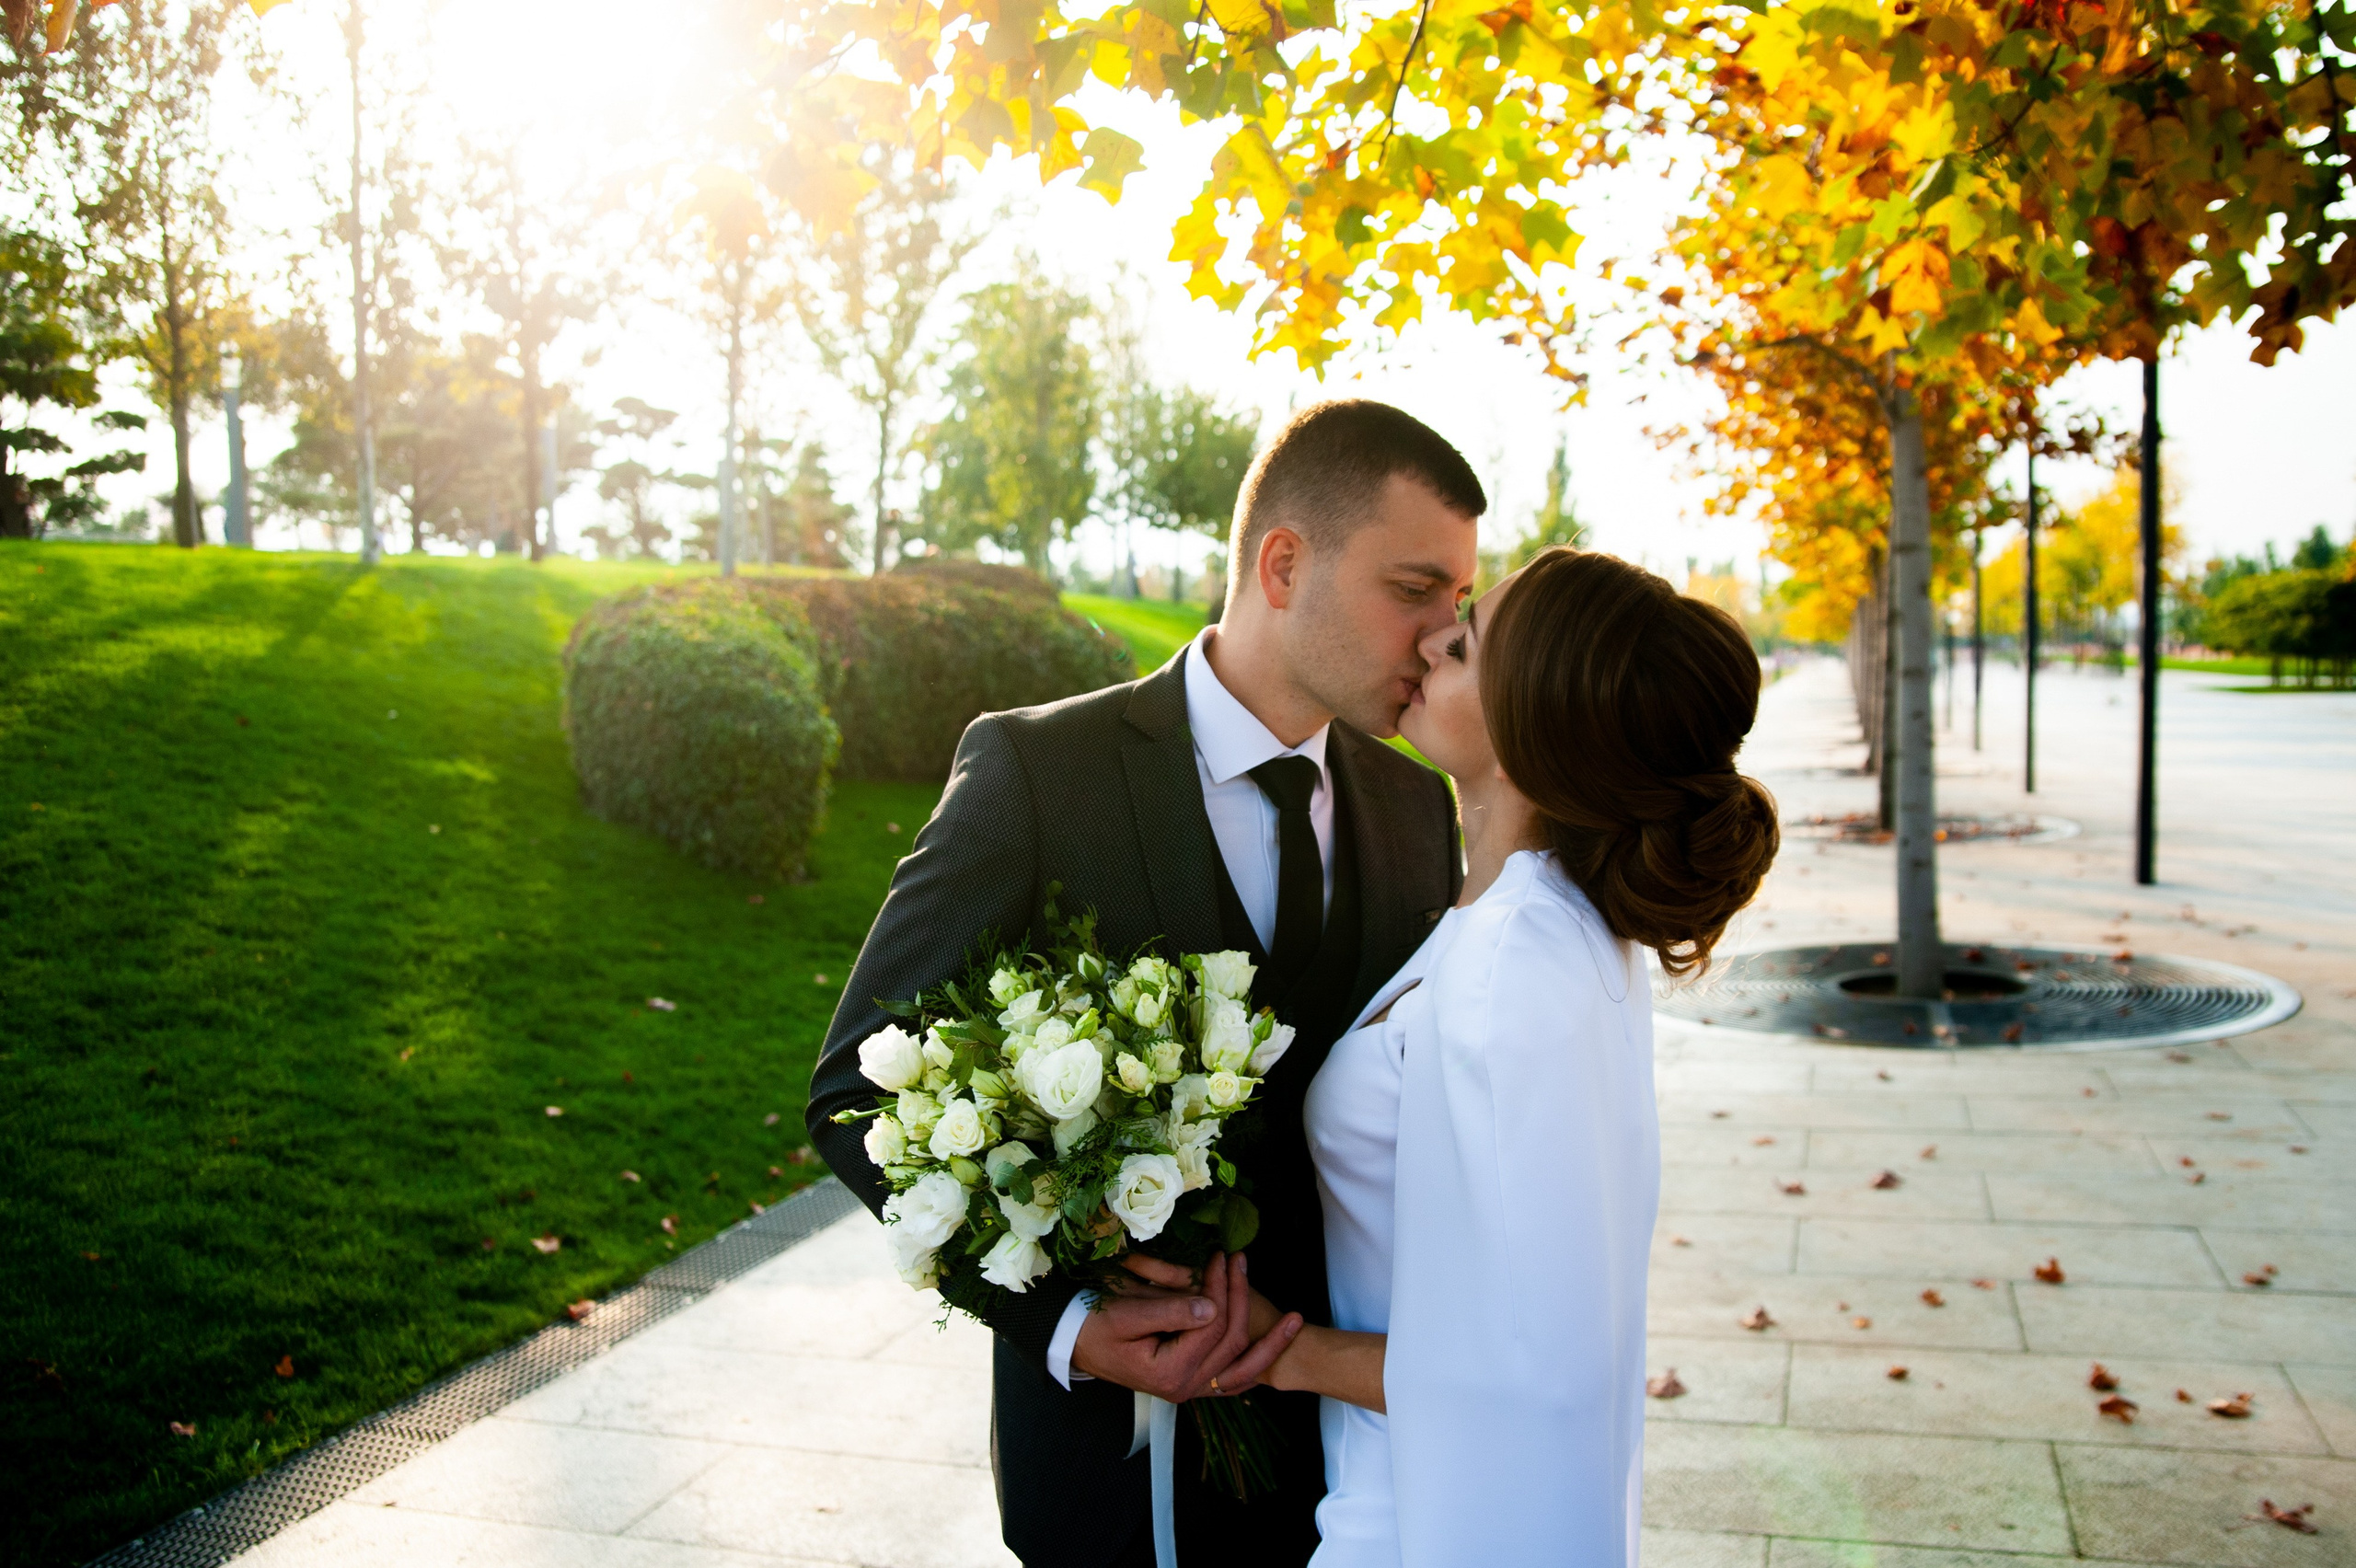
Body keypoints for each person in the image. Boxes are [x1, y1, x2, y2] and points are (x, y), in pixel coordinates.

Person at [805, 399, 1485, 1567]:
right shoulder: (1038, 772)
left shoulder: (1419, 805)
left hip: (1350, 1457)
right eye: (1412, 591)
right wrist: (1068, 1324)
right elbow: (850, 1091)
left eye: (1458, 608)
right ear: (1282, 564)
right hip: (1107, 1468)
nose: (1437, 639)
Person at [1227, 547, 1780, 1564]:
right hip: (1396, 1483)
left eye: (1469, 642)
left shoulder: (1518, 963)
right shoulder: (1533, 921)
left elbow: (1525, 1360)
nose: (1434, 640)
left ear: (1537, 722)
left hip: (1428, 1519)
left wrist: (1287, 1352)